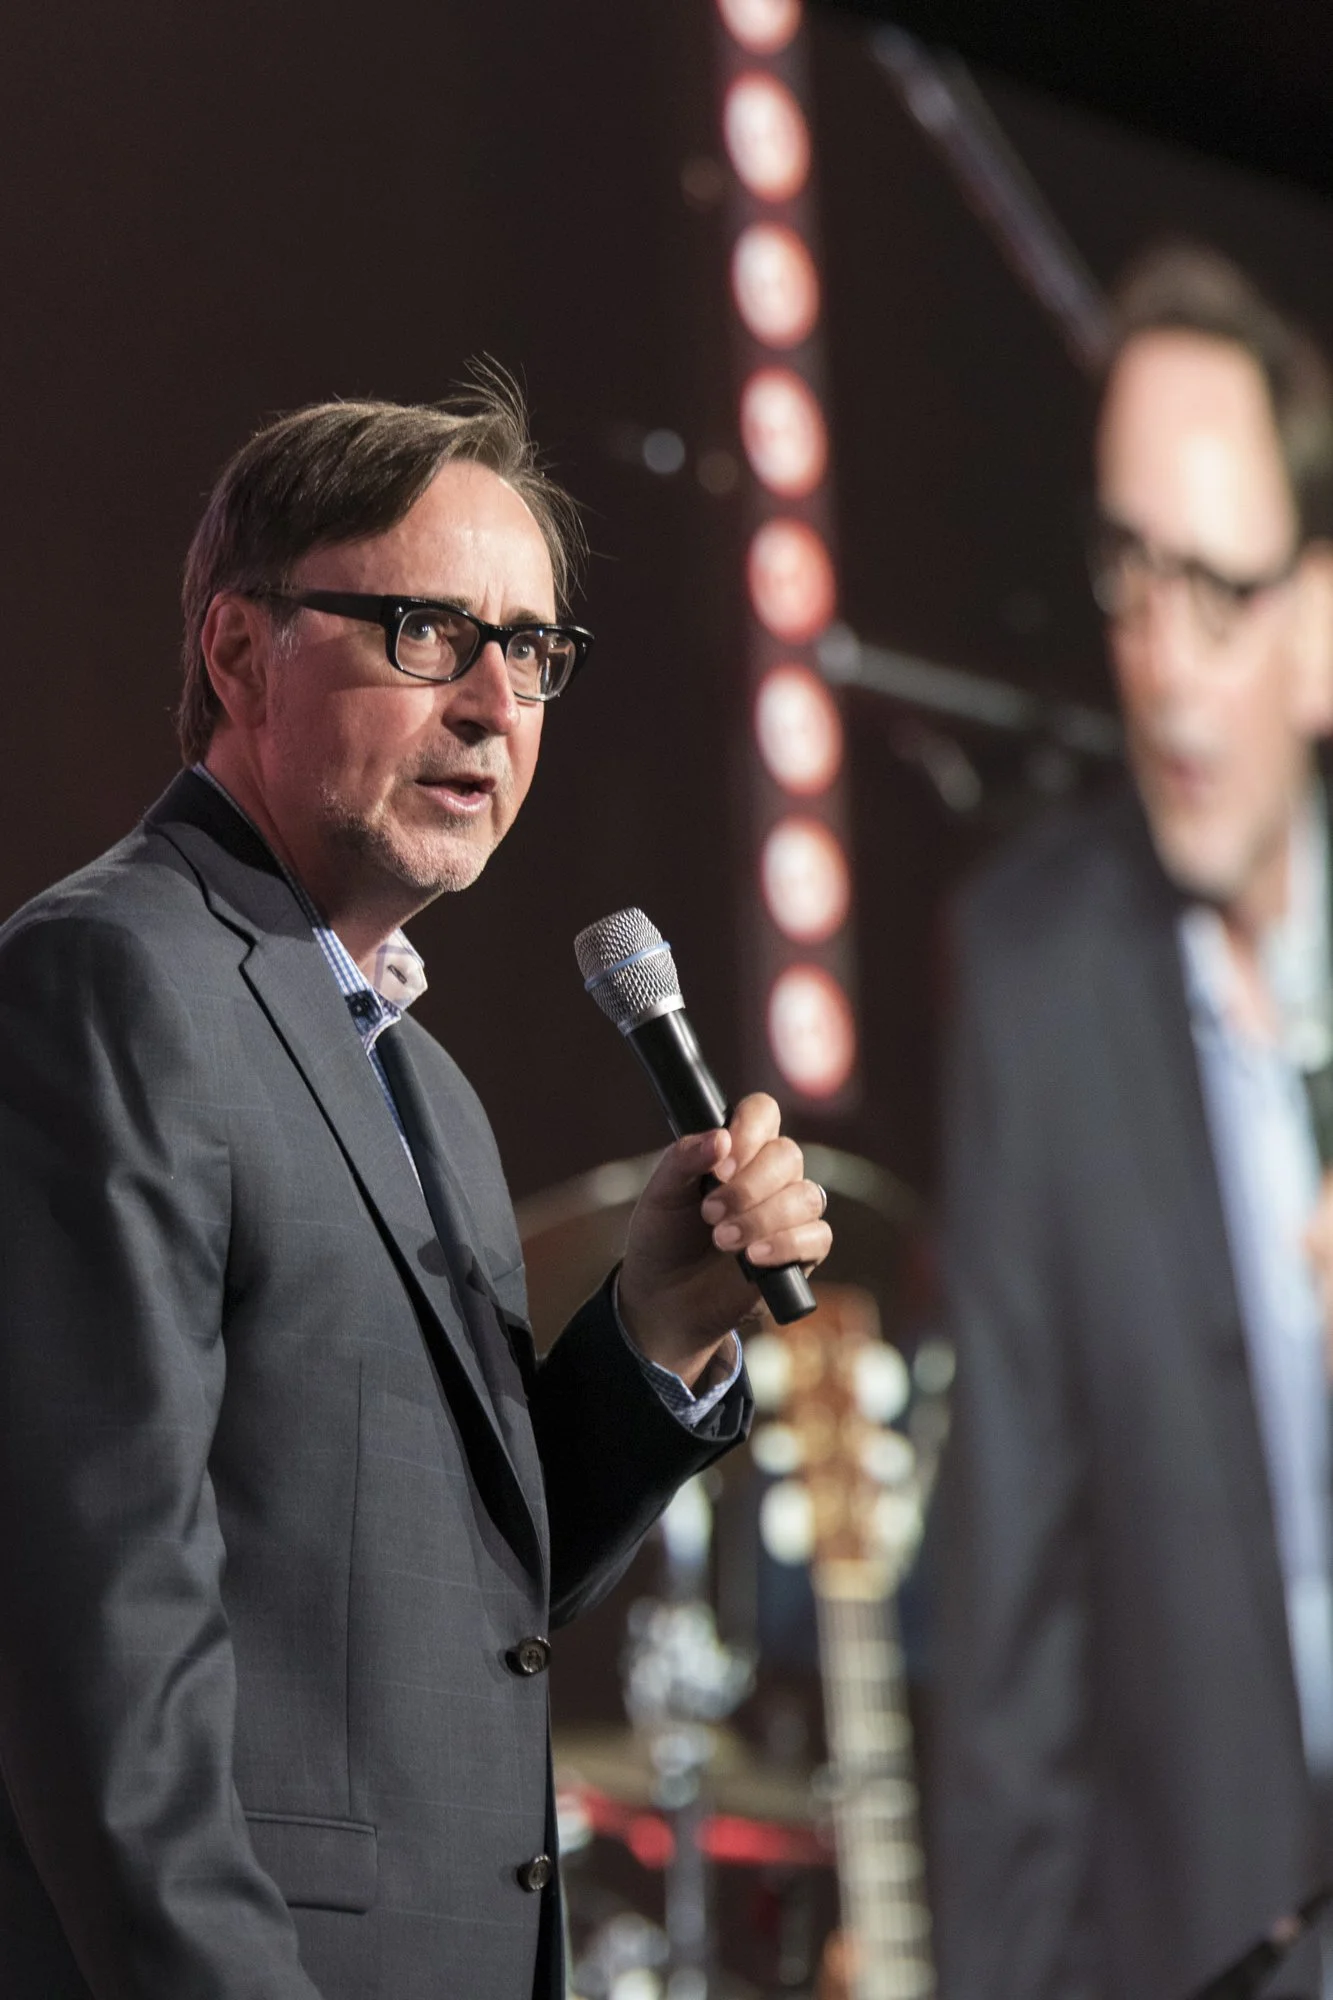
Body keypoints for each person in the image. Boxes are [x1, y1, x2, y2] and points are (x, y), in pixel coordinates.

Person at [0, 384, 831, 2000]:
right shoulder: (113, 984)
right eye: (429, 632)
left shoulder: (422, 1083)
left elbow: (455, 1606)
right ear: (241, 652)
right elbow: (95, 1643)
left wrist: (658, 1327)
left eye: (532, 650)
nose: (495, 703)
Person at [932, 246, 1333, 1999]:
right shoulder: (1037, 978)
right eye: (1130, 574)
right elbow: (1008, 1638)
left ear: (1324, 623)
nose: (1160, 668)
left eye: (1218, 594)